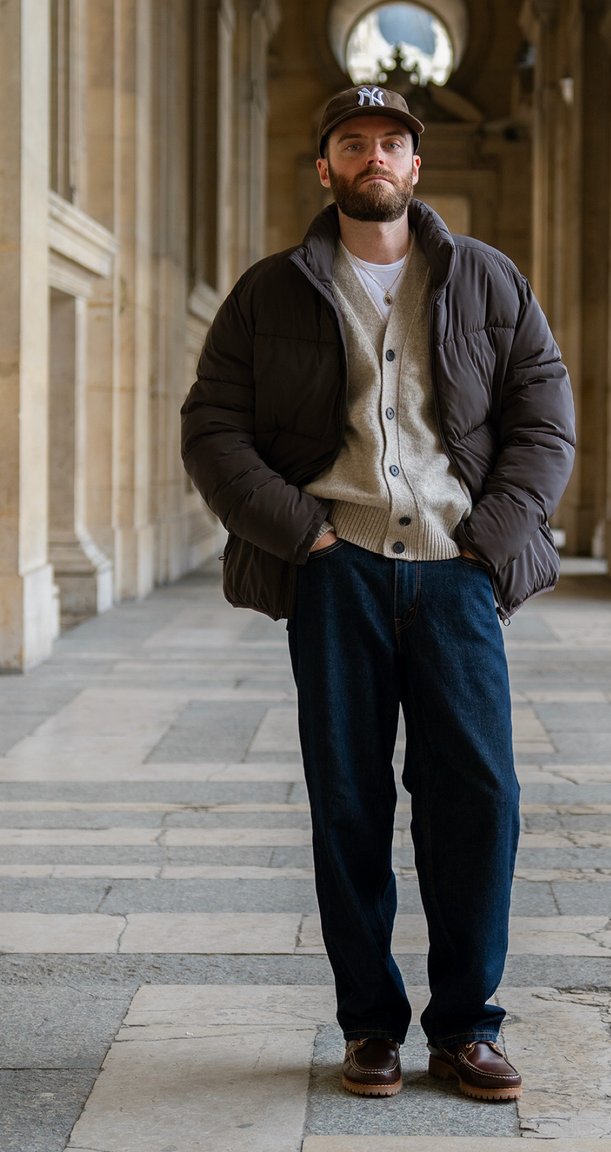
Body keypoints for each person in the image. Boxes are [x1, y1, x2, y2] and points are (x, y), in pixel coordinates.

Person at [181, 85, 575, 1101]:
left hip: (455, 577)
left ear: (413, 162)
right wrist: (302, 533)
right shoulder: (271, 291)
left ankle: (466, 1025)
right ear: (325, 168)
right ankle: (370, 1026)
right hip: (337, 571)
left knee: (477, 800)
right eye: (352, 143)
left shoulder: (487, 279)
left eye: (390, 142)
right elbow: (212, 428)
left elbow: (544, 420)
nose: (374, 157)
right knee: (347, 801)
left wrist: (490, 545)